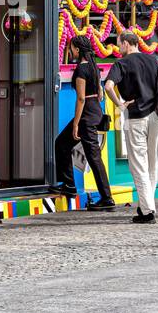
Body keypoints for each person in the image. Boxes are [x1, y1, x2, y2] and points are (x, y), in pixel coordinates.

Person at [104, 32, 158, 223]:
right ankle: (146, 205)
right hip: (156, 115)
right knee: (152, 163)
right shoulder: (154, 60)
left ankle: (147, 211)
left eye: (119, 44)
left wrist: (120, 104)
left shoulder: (122, 64)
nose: (117, 48)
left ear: (128, 44)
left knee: (138, 164)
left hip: (135, 116)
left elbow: (108, 86)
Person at [51, 35, 114, 210]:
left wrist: (77, 123)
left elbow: (80, 98)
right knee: (64, 145)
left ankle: (106, 198)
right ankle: (70, 185)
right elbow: (100, 93)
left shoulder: (81, 70)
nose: (69, 51)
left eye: (71, 48)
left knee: (92, 157)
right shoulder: (94, 67)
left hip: (86, 115)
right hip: (95, 111)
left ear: (78, 50)